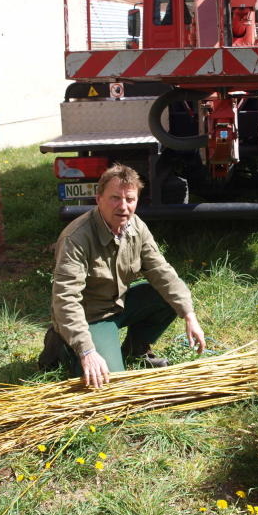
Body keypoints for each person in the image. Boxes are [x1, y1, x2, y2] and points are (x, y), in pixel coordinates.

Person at [39, 163, 206, 388]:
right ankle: (63, 346)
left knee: (166, 297)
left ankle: (135, 350)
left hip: (119, 305)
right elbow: (65, 299)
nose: (123, 206)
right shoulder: (76, 238)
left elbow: (162, 272)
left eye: (130, 199)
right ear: (98, 199)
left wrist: (189, 314)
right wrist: (87, 350)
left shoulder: (136, 227)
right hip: (91, 317)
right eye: (115, 198)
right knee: (111, 382)